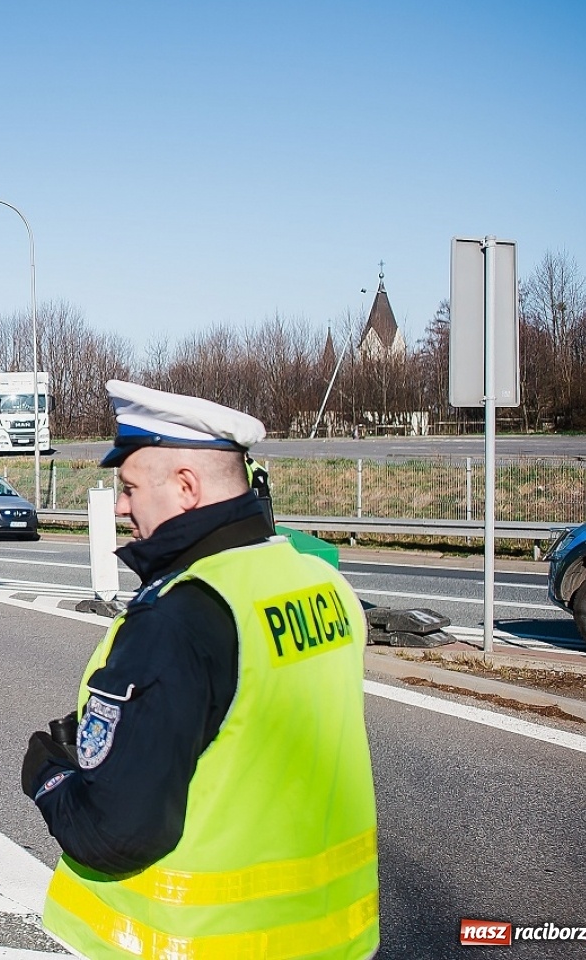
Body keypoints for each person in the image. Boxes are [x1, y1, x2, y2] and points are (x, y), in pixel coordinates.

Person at [22, 380, 378, 959]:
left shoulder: (177, 616)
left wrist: (48, 775)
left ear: (185, 487)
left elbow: (116, 832)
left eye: (131, 487)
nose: (120, 505)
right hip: (334, 938)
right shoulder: (320, 582)